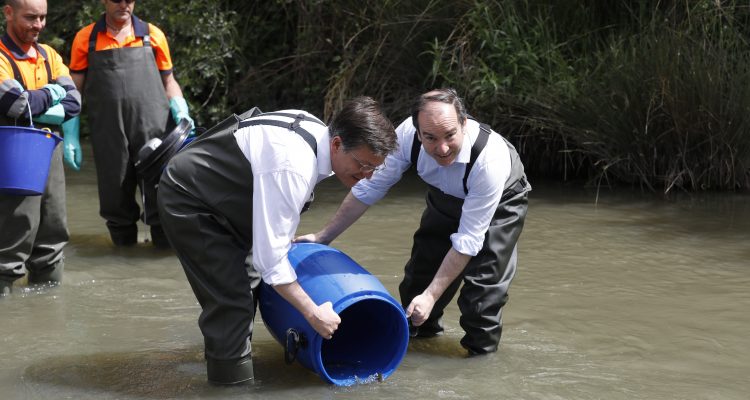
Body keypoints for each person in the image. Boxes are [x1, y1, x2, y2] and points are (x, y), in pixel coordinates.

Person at [157, 97, 398, 384]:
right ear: (336, 144)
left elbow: (268, 252)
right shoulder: (293, 165)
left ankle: (228, 360)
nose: (367, 176)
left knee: (249, 287)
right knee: (232, 303)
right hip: (192, 200)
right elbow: (271, 261)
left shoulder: (316, 136)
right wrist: (312, 312)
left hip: (226, 201)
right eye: (362, 164)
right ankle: (232, 388)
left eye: (375, 168)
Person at [297, 88, 531, 355]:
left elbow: (467, 241)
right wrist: (323, 237)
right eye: (430, 137)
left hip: (500, 202)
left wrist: (432, 296)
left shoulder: (489, 162)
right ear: (417, 132)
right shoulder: (406, 136)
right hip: (445, 196)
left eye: (450, 135)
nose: (442, 148)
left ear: (464, 124)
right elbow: (368, 189)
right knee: (417, 284)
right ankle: (418, 345)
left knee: (481, 298)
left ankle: (480, 362)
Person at [68, 0, 194, 248]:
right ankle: (123, 255)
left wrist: (181, 107)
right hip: (109, 133)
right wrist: (70, 133)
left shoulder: (152, 35)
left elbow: (169, 81)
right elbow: (74, 90)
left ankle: (161, 257)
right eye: (117, 0)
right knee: (115, 200)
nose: (124, 5)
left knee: (162, 197)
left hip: (154, 130)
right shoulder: (87, 38)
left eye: (130, 0)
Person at [0, 0, 82, 295]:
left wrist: (41, 104)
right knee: (13, 235)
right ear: (8, 13)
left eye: (43, 18)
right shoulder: (1, 57)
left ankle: (47, 312)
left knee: (53, 231)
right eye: (31, 17)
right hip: (12, 155)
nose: (38, 25)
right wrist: (53, 92)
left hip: (50, 152)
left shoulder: (50, 55)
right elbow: (14, 103)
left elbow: (75, 101)